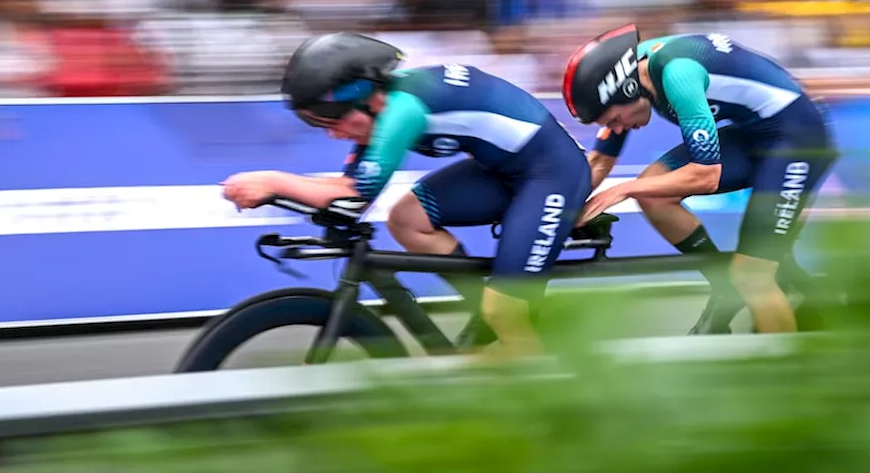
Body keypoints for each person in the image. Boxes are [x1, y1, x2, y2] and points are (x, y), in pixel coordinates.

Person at [221, 32, 591, 359]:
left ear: (369, 101)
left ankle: (542, 388)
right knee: (407, 219)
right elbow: (343, 193)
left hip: (552, 175)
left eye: (333, 123)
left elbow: (355, 195)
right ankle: (486, 314)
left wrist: (271, 180)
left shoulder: (402, 111)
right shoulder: (381, 110)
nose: (332, 136)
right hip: (505, 170)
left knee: (505, 312)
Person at [561, 23, 837, 334]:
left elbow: (706, 176)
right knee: (653, 191)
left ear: (626, 90)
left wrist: (621, 190)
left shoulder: (679, 75)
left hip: (800, 139)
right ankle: (723, 283)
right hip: (758, 131)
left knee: (753, 277)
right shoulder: (629, 71)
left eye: (614, 119)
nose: (618, 128)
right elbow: (599, 161)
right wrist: (563, 209)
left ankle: (786, 373)